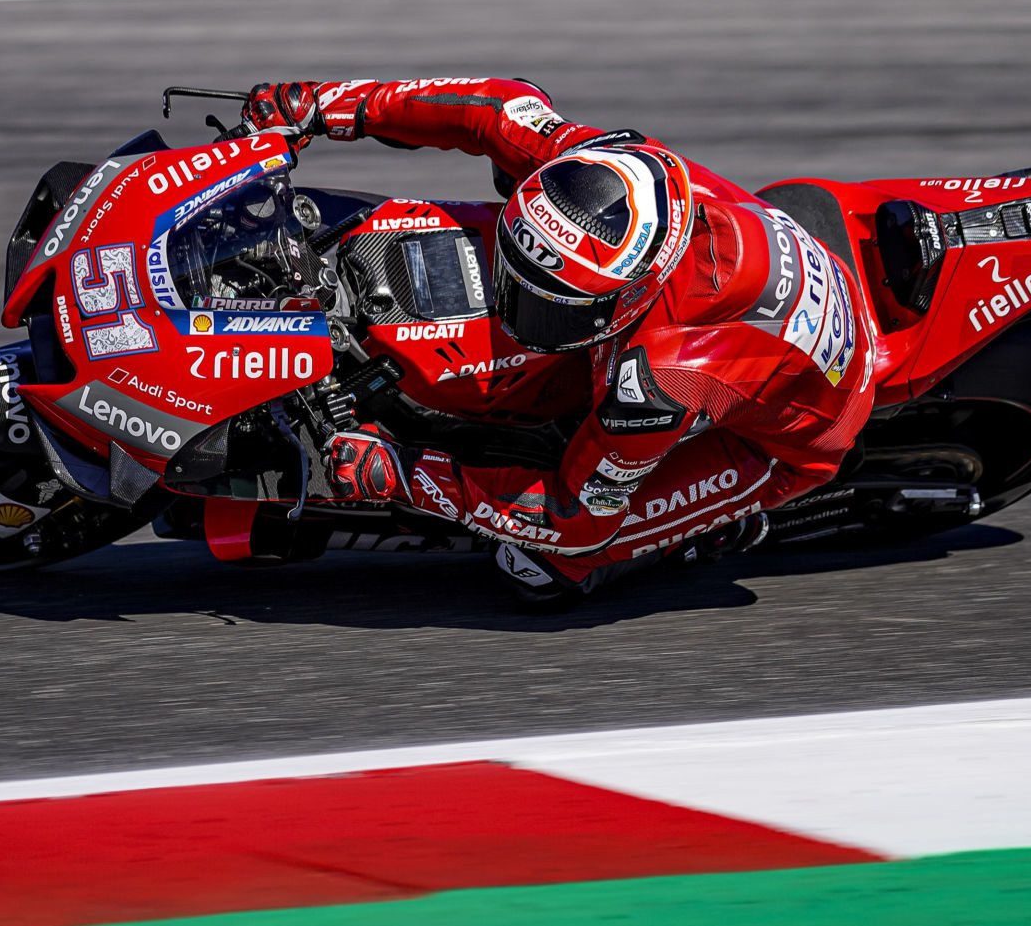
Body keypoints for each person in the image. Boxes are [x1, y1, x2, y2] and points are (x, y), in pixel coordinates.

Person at [243, 78, 877, 606]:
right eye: (517, 274)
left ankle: (706, 530)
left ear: (631, 295)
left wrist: (403, 474)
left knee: (544, 565)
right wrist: (332, 106)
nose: (517, 305)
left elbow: (571, 517)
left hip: (782, 433)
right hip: (772, 270)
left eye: (547, 303)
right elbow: (495, 109)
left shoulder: (660, 375)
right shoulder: (607, 166)